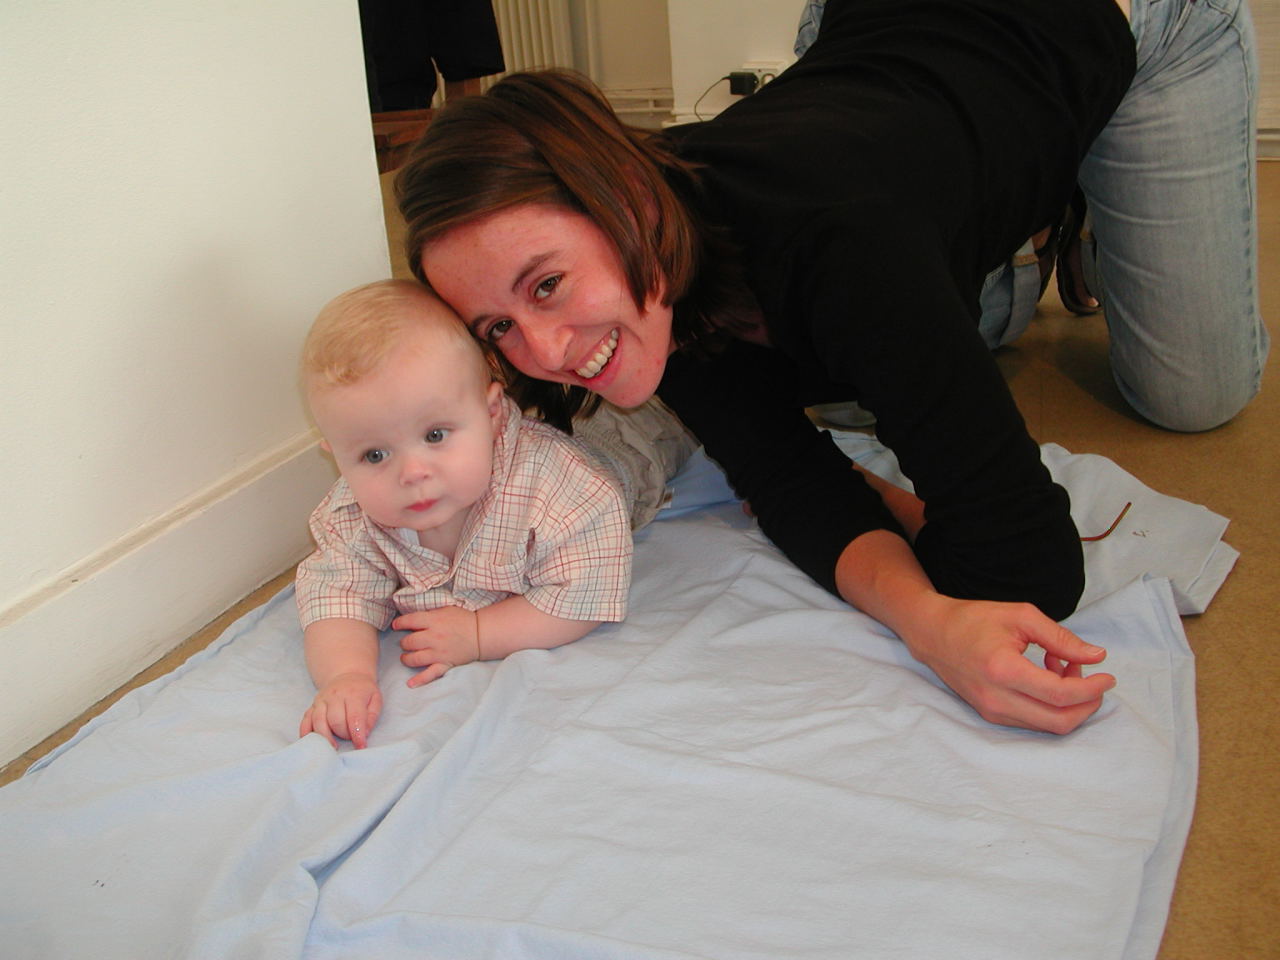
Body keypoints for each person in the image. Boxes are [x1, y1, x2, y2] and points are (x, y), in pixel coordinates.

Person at [392, 0, 1266, 734]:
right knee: (887, 327)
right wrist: (929, 624)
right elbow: (786, 480)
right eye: (499, 325)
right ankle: (1018, 242)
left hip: (1112, 20)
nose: (549, 353)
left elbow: (1028, 569)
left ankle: (1070, 188)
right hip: (884, 42)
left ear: (626, 203)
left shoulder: (846, 248)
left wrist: (873, 495)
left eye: (547, 284)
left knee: (1190, 397)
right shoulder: (657, 271)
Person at [296, 280, 694, 748]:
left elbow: (582, 596)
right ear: (337, 456)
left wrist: (480, 634)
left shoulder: (567, 492)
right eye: (375, 455)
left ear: (492, 415)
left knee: (661, 429)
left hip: (620, 451)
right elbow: (335, 597)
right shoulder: (353, 516)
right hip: (517, 426)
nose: (413, 473)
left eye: (435, 435)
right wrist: (346, 675)